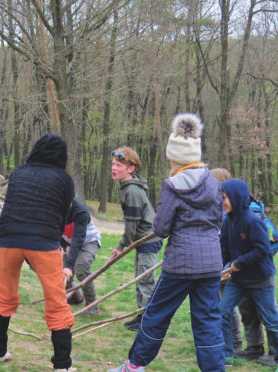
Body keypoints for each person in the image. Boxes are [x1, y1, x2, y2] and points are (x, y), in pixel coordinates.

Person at [109, 113, 225, 372]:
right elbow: (218, 219)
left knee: (156, 315)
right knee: (208, 321)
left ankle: (135, 365)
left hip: (180, 264)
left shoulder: (172, 185)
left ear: (174, 157)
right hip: (210, 263)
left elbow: (160, 228)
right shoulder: (212, 181)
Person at [0, 134, 76, 372]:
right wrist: (55, 241)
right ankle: (62, 365)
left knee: (4, 294)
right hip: (43, 240)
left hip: (8, 237)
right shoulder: (64, 179)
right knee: (57, 301)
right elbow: (63, 216)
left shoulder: (18, 172)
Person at [219, 178, 278, 372]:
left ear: (236, 197)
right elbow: (224, 248)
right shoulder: (228, 221)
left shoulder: (253, 221)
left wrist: (238, 263)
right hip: (239, 280)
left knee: (271, 320)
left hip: (261, 279)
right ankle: (226, 353)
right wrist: (220, 269)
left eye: (224, 198)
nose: (222, 202)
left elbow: (263, 250)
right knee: (222, 311)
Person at [109, 146, 162, 331]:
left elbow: (132, 225)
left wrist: (121, 246)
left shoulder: (132, 190)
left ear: (131, 169)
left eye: (119, 165)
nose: (114, 168)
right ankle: (143, 314)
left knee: (145, 279)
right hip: (142, 239)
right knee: (140, 278)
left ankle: (149, 321)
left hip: (148, 240)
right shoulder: (124, 185)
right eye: (113, 164)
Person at [234, 196, 278, 367]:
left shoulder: (257, 217)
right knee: (247, 310)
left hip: (262, 276)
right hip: (242, 274)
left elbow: (276, 239)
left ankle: (276, 353)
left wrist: (259, 258)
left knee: (268, 313)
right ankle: (254, 347)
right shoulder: (233, 217)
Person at [211, 167, 243, 352]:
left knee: (227, 306)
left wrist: (226, 269)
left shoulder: (228, 214)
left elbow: (231, 246)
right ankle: (220, 340)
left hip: (225, 267)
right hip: (213, 264)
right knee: (216, 305)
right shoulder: (215, 208)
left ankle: (235, 343)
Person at [61, 198, 102, 315]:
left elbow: (78, 238)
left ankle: (92, 304)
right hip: (69, 242)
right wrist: (65, 246)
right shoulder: (53, 209)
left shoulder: (80, 211)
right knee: (63, 273)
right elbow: (53, 231)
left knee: (81, 268)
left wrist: (69, 265)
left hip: (88, 241)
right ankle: (75, 297)